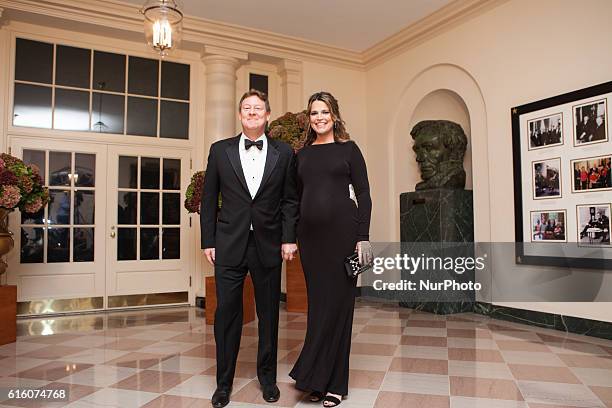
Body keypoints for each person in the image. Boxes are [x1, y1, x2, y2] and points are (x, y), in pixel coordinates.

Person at [200, 89, 299, 408]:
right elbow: (207, 200)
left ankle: (267, 379)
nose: (253, 112)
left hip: (268, 244)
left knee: (268, 314)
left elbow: (289, 200)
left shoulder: (284, 153)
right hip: (228, 243)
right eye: (247, 108)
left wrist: (288, 237)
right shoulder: (219, 151)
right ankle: (223, 384)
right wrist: (208, 240)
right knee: (227, 313)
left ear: (267, 115)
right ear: (240, 115)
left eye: (258, 108)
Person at [289, 91, 372, 407]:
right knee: (319, 309)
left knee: (339, 309)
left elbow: (364, 194)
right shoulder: (302, 155)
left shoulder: (349, 150)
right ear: (309, 119)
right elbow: (296, 199)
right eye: (313, 113)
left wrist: (362, 237)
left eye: (324, 112)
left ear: (334, 115)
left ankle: (335, 384)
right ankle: (316, 378)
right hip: (310, 241)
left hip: (343, 237)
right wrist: (294, 234)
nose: (319, 117)